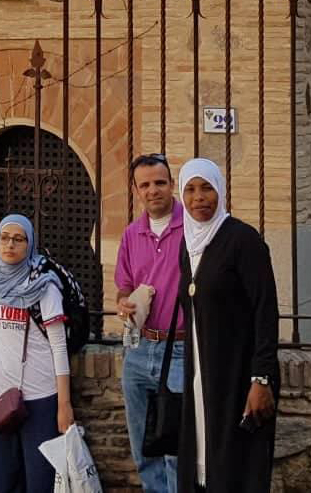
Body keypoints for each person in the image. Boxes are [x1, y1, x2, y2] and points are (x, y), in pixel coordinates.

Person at [175, 159, 279, 493]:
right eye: (190, 190)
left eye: (206, 188)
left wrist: (261, 378)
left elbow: (265, 311)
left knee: (237, 468)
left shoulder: (242, 240)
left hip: (237, 376)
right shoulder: (187, 244)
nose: (198, 198)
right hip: (199, 376)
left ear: (220, 189)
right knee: (200, 469)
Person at [0, 214, 73, 493]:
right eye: (4, 238)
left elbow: (59, 346)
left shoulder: (43, 286)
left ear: (30, 244)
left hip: (40, 396)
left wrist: (64, 404)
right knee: (4, 481)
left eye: (19, 239)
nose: (10, 245)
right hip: (0, 395)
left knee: (39, 480)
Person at [114, 153, 186, 492]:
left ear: (171, 184)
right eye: (145, 185)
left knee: (176, 449)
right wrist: (123, 303)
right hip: (139, 348)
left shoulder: (192, 228)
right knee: (143, 445)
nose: (153, 190)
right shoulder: (131, 234)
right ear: (135, 190)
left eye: (159, 182)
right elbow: (123, 285)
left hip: (181, 349)